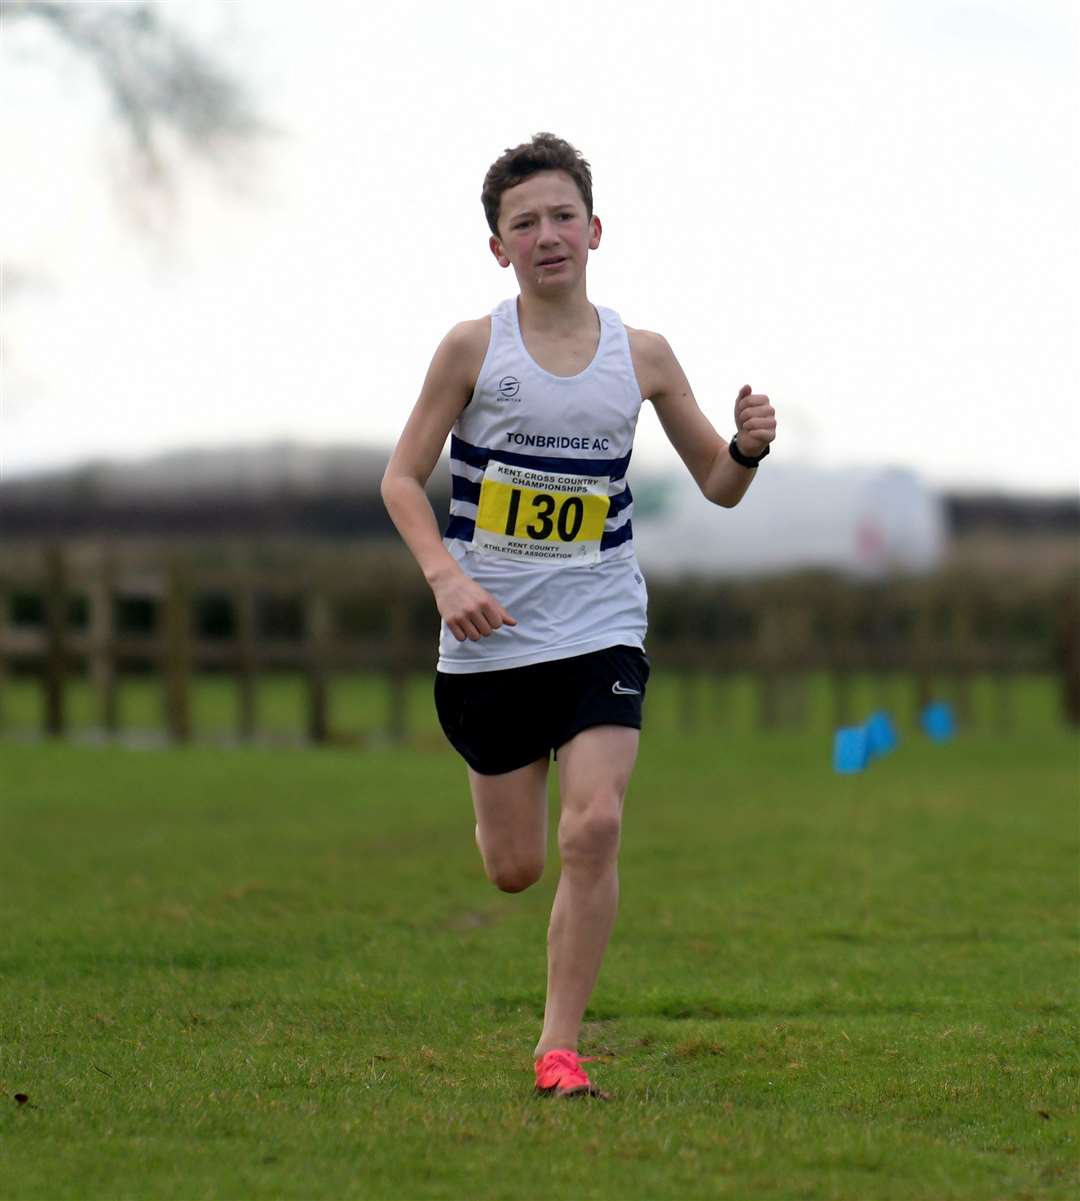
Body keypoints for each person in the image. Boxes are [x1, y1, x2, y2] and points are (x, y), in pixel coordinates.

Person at [380, 133, 777, 1099]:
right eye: (526, 223)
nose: (548, 235)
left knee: (593, 826)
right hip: (490, 635)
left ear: (595, 229)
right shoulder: (473, 347)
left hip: (602, 621)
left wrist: (748, 446)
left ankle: (559, 1048)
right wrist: (446, 578)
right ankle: (507, 840)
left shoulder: (642, 355)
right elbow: (399, 479)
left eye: (563, 216)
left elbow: (716, 487)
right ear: (498, 246)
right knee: (515, 867)